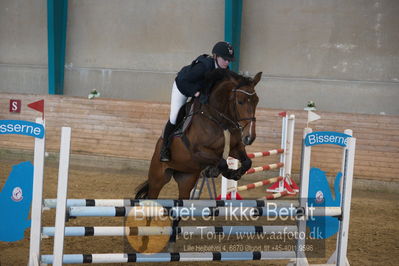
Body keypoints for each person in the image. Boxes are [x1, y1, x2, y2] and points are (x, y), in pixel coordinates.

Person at [160, 41, 235, 162]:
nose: (227, 62)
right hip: (183, 87)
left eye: (229, 60)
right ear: (215, 56)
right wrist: (195, 92)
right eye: (225, 59)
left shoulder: (224, 70)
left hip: (201, 90)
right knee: (174, 117)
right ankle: (164, 148)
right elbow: (185, 81)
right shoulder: (202, 66)